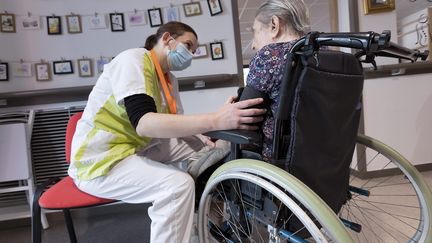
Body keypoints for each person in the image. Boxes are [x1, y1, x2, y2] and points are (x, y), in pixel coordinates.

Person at [68, 21, 266, 243]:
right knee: (177, 185)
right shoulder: (132, 60)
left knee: (212, 150)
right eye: (188, 45)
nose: (190, 54)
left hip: (135, 148)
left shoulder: (169, 79)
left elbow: (175, 123)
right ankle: (180, 210)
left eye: (193, 51)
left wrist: (211, 134)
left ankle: (207, 222)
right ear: (166, 39)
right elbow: (144, 123)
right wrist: (214, 120)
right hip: (101, 160)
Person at [245, 0, 310, 161]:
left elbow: (244, 115)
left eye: (255, 32)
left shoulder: (270, 56)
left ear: (274, 25)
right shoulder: (325, 53)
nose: (253, 45)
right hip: (323, 158)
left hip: (278, 161)